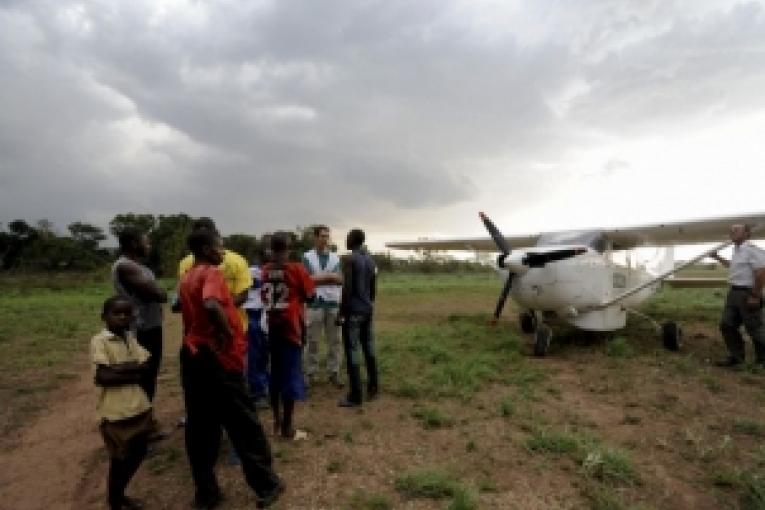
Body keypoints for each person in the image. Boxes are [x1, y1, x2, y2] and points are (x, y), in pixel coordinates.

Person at [179, 228, 283, 509]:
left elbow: (183, 308)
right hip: (219, 359)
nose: (221, 252)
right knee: (244, 424)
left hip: (193, 356)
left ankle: (206, 492)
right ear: (204, 248)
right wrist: (225, 333)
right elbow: (212, 304)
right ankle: (266, 485)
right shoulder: (210, 274)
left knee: (201, 427)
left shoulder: (187, 275)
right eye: (217, 247)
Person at [91, 296, 154, 510]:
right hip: (116, 412)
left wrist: (118, 369)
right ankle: (115, 499)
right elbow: (103, 377)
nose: (122, 317)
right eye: (116, 313)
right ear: (104, 317)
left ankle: (119, 494)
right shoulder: (100, 341)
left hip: (139, 407)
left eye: (127, 313)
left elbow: (146, 367)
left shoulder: (130, 337)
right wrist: (132, 370)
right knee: (119, 459)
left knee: (139, 452)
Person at [261, 233, 316, 440]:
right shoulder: (296, 269)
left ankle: (276, 420)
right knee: (291, 377)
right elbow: (310, 295)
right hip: (291, 330)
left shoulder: (265, 270)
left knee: (274, 375)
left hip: (272, 328)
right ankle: (287, 428)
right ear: (288, 248)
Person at [112, 228, 167, 403]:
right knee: (142, 376)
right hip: (140, 329)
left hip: (150, 326)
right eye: (146, 242)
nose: (149, 246)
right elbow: (157, 294)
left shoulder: (139, 267)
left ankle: (146, 420)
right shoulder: (125, 266)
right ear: (134, 244)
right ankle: (139, 424)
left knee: (150, 375)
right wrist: (160, 291)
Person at [178, 218, 252, 332]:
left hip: (195, 331)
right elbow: (213, 304)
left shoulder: (186, 266)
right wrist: (227, 330)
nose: (222, 252)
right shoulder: (224, 266)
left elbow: (184, 299)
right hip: (227, 329)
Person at [711, 224, 765, 367]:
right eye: (731, 230)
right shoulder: (737, 251)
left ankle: (762, 360)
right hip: (733, 292)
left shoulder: (752, 250)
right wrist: (717, 257)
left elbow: (761, 272)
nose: (732, 232)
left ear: (747, 233)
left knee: (754, 328)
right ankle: (736, 357)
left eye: (736, 230)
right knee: (726, 325)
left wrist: (755, 295)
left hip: (748, 292)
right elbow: (733, 266)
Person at [338, 228, 379, 408]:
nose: (345, 240)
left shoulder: (349, 260)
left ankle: (355, 395)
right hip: (367, 309)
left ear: (352, 240)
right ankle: (373, 387)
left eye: (347, 237)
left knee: (352, 350)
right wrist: (369, 305)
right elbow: (373, 288)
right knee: (369, 347)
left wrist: (342, 312)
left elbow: (347, 289)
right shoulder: (370, 261)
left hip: (353, 310)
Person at [302, 225, 344, 387]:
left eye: (327, 236)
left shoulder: (335, 258)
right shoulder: (307, 257)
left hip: (333, 303)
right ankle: (309, 373)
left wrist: (320, 278)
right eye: (322, 236)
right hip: (314, 303)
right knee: (312, 340)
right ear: (315, 237)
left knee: (335, 340)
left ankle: (334, 372)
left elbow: (340, 280)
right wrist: (329, 276)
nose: (325, 239)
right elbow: (306, 280)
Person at [244, 244, 272, 409]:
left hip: (268, 314)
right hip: (253, 315)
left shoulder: (276, 271)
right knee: (255, 356)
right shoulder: (251, 271)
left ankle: (266, 387)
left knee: (267, 355)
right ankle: (257, 392)